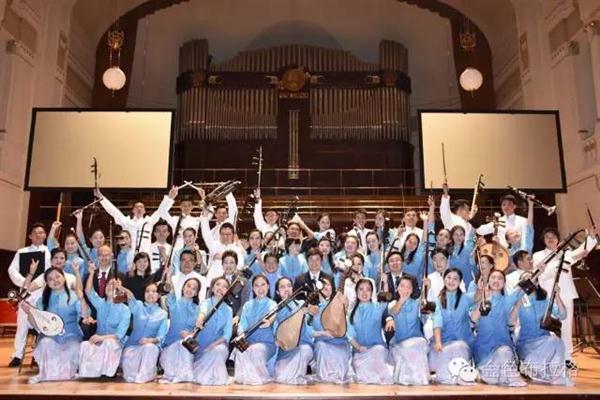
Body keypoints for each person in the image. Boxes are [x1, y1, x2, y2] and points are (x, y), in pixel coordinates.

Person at [533, 227, 598, 370]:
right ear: (543, 241)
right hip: (548, 295)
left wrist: (591, 238)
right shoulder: (538, 256)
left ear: (558, 239)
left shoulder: (566, 253)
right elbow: (543, 274)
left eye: (553, 236)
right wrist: (563, 262)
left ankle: (567, 358)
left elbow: (582, 251)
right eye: (547, 237)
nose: (550, 239)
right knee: (550, 327)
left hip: (566, 294)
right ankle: (551, 357)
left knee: (566, 327)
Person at [24, 263, 87, 383]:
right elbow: (36, 324)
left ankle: (69, 374)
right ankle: (45, 374)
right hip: (50, 335)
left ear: (64, 277)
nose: (55, 280)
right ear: (47, 283)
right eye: (50, 279)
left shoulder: (74, 296)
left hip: (71, 334)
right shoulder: (42, 300)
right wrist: (29, 312)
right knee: (45, 343)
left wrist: (82, 299)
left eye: (58, 277)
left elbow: (85, 314)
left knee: (74, 346)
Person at [470, 269, 526, 387]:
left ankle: (506, 376)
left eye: (500, 278)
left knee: (504, 352)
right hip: (483, 348)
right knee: (492, 377)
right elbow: (473, 319)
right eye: (493, 278)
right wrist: (483, 298)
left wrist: (538, 272)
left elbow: (523, 286)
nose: (496, 280)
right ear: (488, 281)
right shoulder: (480, 299)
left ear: (504, 283)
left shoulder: (507, 300)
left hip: (502, 344)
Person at [7, 223, 52, 367]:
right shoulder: (21, 251)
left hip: (41, 292)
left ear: (45, 235)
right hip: (25, 293)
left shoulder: (48, 251)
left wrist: (36, 283)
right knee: (22, 324)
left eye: (41, 232)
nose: (39, 235)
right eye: (35, 233)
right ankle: (17, 355)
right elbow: (12, 270)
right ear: (30, 236)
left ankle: (37, 356)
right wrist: (25, 282)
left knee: (40, 324)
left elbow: (49, 271)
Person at [78, 263, 131, 378]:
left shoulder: (125, 309)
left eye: (115, 286)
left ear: (120, 290)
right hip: (100, 339)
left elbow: (119, 335)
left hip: (116, 343)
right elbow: (89, 291)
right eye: (109, 284)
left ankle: (109, 373)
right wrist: (92, 273)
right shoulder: (101, 303)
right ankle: (90, 373)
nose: (111, 287)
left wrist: (101, 338)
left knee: (109, 343)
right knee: (85, 345)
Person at [514, 284, 570, 385]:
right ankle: (534, 368)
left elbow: (563, 315)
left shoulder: (544, 300)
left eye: (533, 279)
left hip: (544, 342)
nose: (530, 282)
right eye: (526, 280)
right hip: (526, 343)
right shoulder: (519, 300)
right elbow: (510, 320)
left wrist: (557, 296)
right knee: (535, 364)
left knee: (557, 342)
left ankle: (556, 375)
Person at [429, 268, 475, 385]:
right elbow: (437, 322)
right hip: (443, 342)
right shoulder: (437, 300)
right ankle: (445, 376)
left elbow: (479, 296)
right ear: (444, 279)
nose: (451, 281)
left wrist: (480, 287)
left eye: (455, 279)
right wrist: (438, 342)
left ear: (460, 282)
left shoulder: (466, 298)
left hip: (463, 343)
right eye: (448, 278)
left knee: (459, 346)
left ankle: (455, 376)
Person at [96, 187, 172, 254]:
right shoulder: (127, 222)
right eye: (137, 207)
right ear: (133, 210)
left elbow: (160, 211)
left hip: (145, 256)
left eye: (141, 207)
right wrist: (101, 198)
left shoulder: (149, 221)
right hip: (129, 255)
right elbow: (114, 211)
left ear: (144, 211)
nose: (139, 208)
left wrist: (170, 197)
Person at [120, 282, 169, 383]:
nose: (150, 294)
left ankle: (146, 375)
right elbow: (131, 296)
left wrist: (150, 340)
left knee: (150, 347)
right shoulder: (138, 306)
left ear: (159, 295)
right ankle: (147, 373)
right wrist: (120, 287)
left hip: (149, 349)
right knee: (130, 377)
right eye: (147, 291)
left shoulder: (163, 314)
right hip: (133, 347)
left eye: (154, 291)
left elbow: (161, 337)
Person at [347, 278, 393, 384]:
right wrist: (358, 347)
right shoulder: (351, 313)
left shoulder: (378, 307)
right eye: (361, 289)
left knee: (378, 351)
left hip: (377, 349)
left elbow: (386, 298)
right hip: (360, 352)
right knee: (364, 377)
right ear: (356, 292)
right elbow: (350, 335)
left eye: (368, 290)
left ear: (372, 293)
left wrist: (385, 282)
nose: (364, 293)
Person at [159, 269, 202, 383]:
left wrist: (190, 334)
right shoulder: (174, 303)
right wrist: (169, 277)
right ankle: (182, 374)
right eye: (188, 286)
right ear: (183, 288)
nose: (190, 290)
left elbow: (198, 329)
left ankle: (186, 374)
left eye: (194, 288)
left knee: (185, 343)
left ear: (196, 293)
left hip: (187, 348)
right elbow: (171, 290)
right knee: (181, 344)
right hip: (170, 348)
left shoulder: (198, 309)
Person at [234, 274, 277, 385]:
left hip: (266, 344)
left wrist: (270, 321)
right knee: (240, 350)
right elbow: (242, 325)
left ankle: (256, 379)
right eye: (257, 285)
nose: (260, 288)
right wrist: (241, 334)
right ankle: (245, 378)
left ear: (268, 286)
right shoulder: (247, 305)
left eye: (263, 285)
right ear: (253, 288)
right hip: (248, 342)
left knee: (255, 350)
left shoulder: (272, 304)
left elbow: (273, 315)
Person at [388, 274, 429, 385]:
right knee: (409, 348)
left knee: (420, 343)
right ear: (397, 288)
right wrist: (401, 300)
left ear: (412, 289)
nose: (405, 289)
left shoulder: (417, 303)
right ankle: (406, 379)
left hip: (417, 340)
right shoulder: (392, 304)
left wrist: (427, 289)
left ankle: (419, 378)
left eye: (408, 287)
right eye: (402, 286)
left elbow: (426, 312)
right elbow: (392, 312)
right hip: (399, 342)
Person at [192, 276, 233, 386]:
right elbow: (203, 312)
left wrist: (214, 344)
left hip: (218, 344)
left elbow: (227, 334)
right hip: (202, 345)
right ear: (213, 288)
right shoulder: (205, 303)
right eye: (218, 285)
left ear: (227, 291)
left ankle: (214, 378)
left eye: (224, 287)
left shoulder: (228, 310)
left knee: (219, 350)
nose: (220, 288)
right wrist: (200, 318)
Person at [273, 277, 314, 384]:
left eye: (289, 286)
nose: (286, 289)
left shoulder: (301, 304)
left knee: (304, 351)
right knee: (280, 375)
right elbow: (275, 331)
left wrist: (309, 313)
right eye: (282, 287)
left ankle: (295, 377)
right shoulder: (275, 309)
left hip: (303, 346)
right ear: (277, 292)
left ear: (293, 289)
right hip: (286, 349)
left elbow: (310, 323)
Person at [310, 277, 352, 383]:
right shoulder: (312, 308)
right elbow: (307, 330)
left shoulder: (340, 304)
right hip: (322, 343)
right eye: (322, 284)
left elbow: (346, 326)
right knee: (322, 347)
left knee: (341, 362)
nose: (325, 287)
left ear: (332, 288)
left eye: (328, 284)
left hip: (340, 343)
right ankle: (324, 377)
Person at [159, 185, 201, 250]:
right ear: (180, 206)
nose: (186, 207)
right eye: (184, 205)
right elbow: (162, 212)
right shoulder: (175, 219)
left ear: (192, 207)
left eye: (189, 205)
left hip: (191, 250)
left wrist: (204, 197)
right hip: (177, 250)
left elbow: (208, 215)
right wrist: (170, 197)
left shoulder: (197, 220)